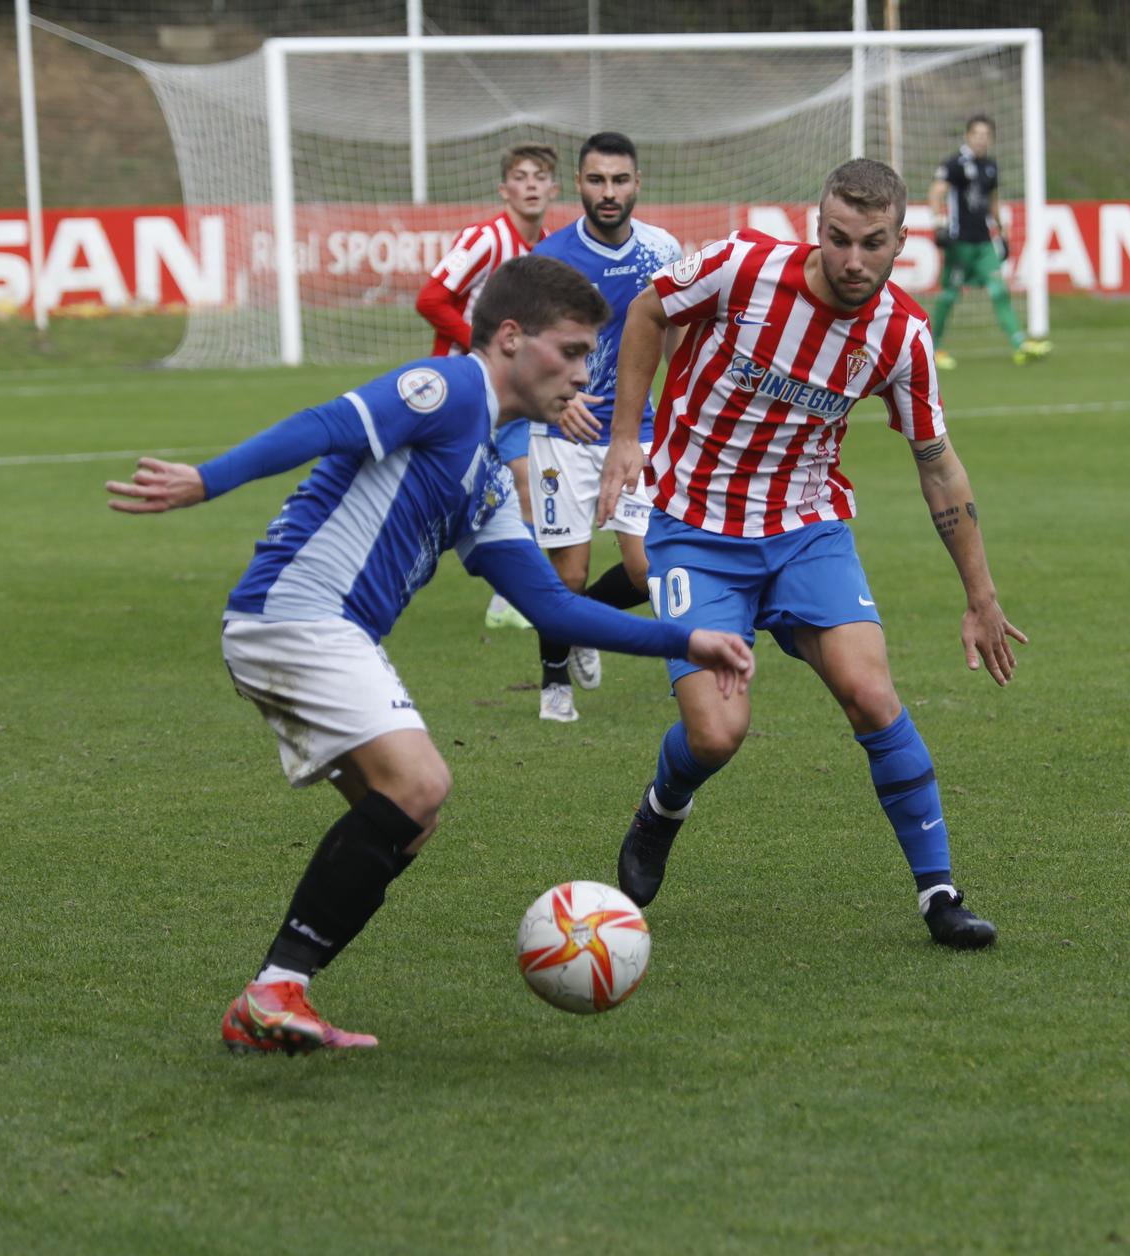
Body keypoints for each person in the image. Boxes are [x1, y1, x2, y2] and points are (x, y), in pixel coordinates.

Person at [106, 256, 754, 1054]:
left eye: (593, 354)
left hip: (310, 631)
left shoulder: (482, 470)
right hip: (297, 617)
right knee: (421, 781)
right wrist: (207, 479)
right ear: (511, 338)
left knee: (410, 818)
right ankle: (275, 990)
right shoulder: (445, 390)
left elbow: (550, 606)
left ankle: (275, 994)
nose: (588, 371)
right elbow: (324, 422)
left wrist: (683, 637)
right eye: (575, 350)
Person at [595, 158, 1028, 949]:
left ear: (903, 241)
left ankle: (940, 893)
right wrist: (628, 438)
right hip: (693, 527)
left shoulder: (902, 335)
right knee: (718, 733)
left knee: (870, 691)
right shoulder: (741, 266)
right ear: (815, 226)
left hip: (806, 529)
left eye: (871, 243)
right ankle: (662, 806)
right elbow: (648, 310)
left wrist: (982, 595)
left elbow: (938, 463)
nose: (852, 259)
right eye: (837, 239)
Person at [504, 131, 684, 724]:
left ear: (638, 184)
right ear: (579, 185)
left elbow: (681, 338)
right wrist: (556, 404)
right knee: (570, 574)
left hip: (640, 430)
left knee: (644, 570)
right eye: (597, 180)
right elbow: (520, 351)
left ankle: (582, 632)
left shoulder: (663, 251)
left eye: (620, 180)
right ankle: (554, 678)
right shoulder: (550, 261)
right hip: (563, 435)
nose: (609, 193)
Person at [411, 142, 562, 632]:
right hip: (464, 388)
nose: (532, 184)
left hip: (513, 397)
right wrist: (484, 349)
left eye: (540, 176)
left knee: (525, 483)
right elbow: (432, 299)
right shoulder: (487, 239)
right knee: (440, 495)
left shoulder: (551, 247)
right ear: (505, 189)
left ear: (554, 188)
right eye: (521, 176)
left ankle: (508, 599)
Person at [926, 114, 1051, 371]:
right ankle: (932, 348)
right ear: (968, 136)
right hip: (959, 243)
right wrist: (939, 223)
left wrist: (1002, 232)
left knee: (999, 289)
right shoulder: (955, 164)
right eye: (977, 135)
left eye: (986, 136)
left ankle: (1020, 345)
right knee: (949, 296)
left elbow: (993, 201)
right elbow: (936, 192)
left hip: (984, 242)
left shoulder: (990, 166)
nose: (982, 140)